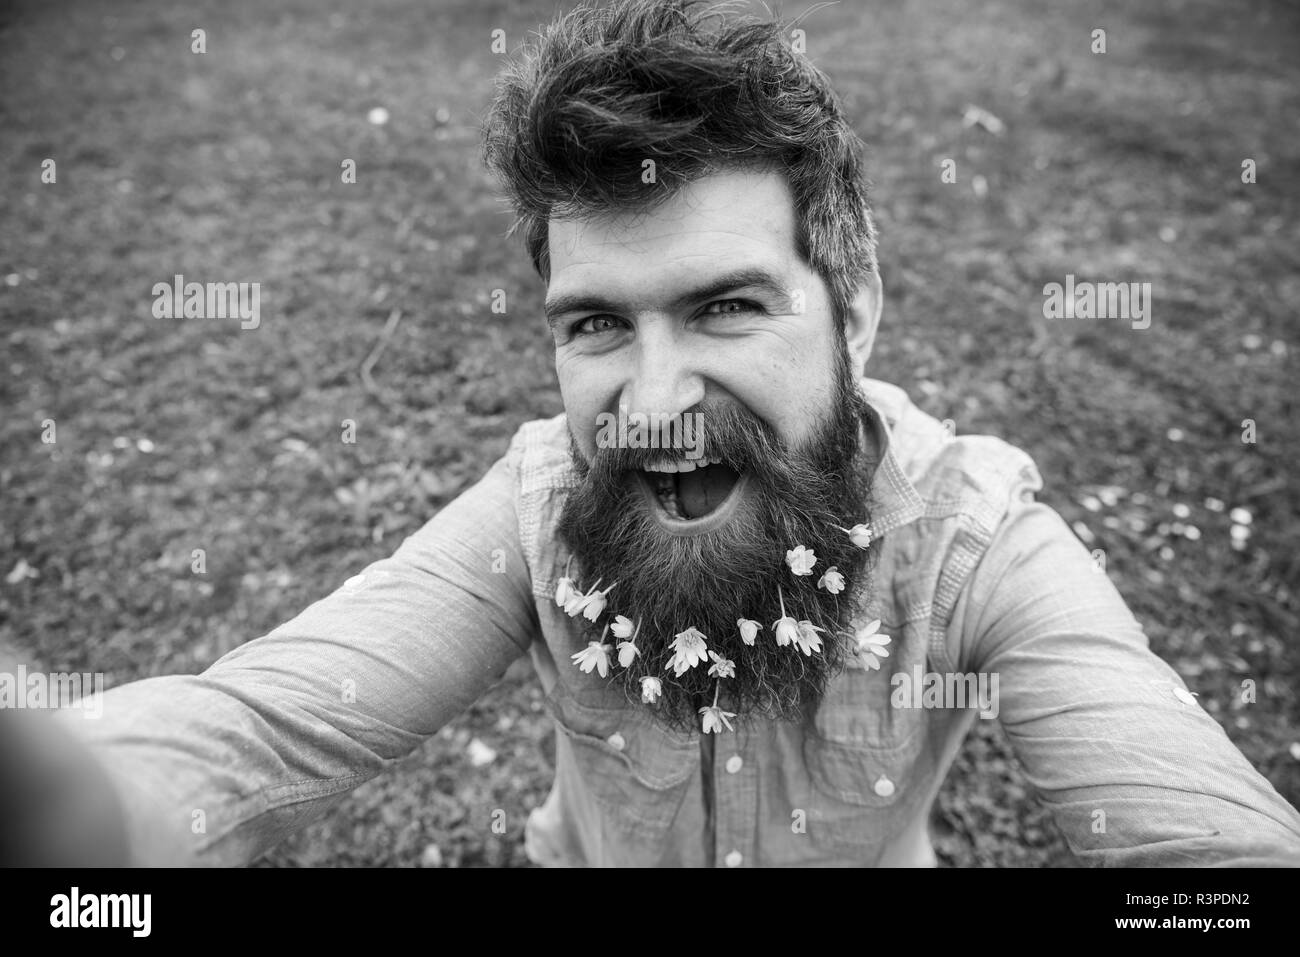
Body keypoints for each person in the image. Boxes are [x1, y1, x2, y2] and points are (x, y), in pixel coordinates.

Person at [7, 0, 1300, 867]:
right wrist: (56, 812)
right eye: (596, 327)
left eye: (726, 306)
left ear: (856, 307)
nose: (653, 403)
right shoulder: (538, 509)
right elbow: (257, 732)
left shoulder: (976, 547)